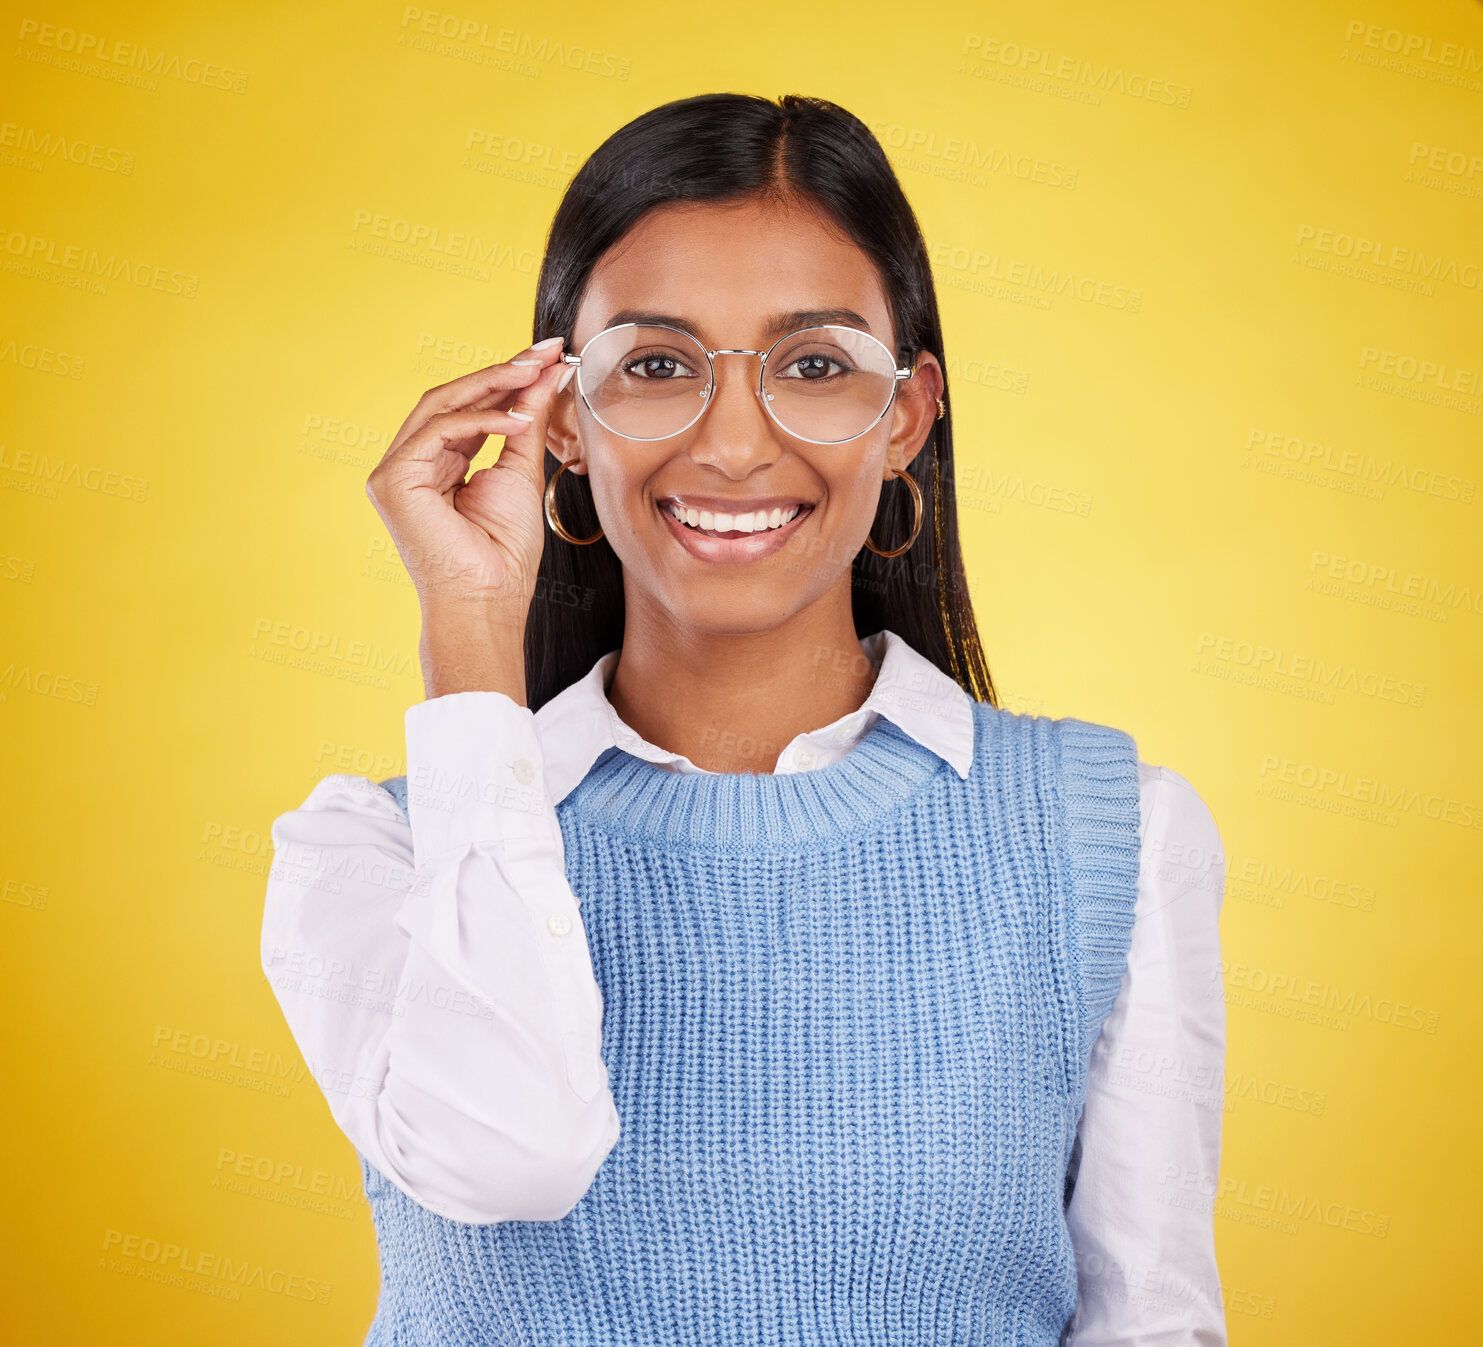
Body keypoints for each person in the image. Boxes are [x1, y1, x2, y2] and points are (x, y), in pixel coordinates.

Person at [262, 92, 1228, 1345]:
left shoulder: (1115, 839)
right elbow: (509, 1160)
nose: (730, 443)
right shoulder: (373, 858)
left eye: (814, 366)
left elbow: (1149, 1325)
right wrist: (467, 635)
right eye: (656, 365)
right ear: (558, 419)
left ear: (908, 418)